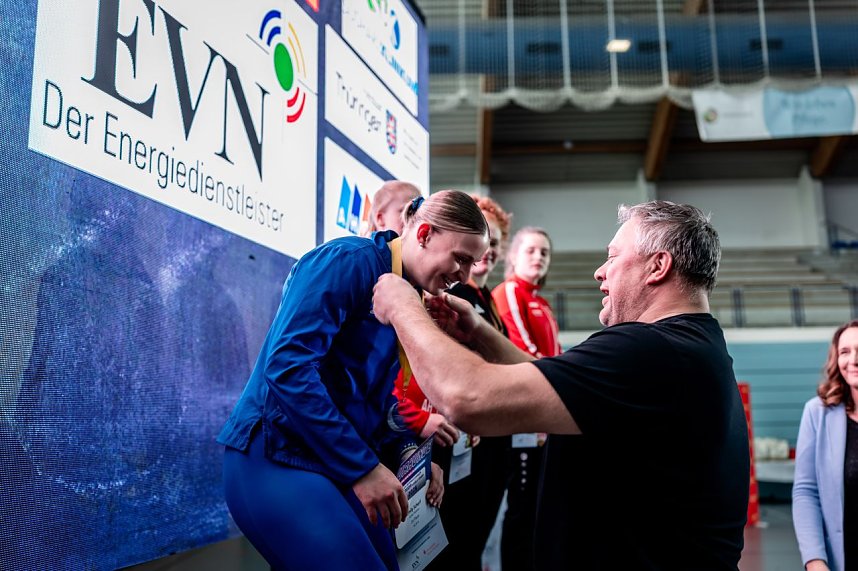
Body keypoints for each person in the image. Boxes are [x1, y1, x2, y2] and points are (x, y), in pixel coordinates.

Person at [372, 200, 750, 569]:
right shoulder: (691, 347)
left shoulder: (649, 350)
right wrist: (480, 334)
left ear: (657, 267)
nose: (600, 272)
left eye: (613, 257)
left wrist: (403, 306)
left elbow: (466, 397)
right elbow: (555, 383)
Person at [217, 190, 489, 571]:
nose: (464, 276)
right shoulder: (349, 262)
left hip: (330, 459)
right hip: (274, 453)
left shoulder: (405, 293)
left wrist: (415, 462)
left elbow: (371, 401)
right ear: (424, 234)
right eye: (461, 259)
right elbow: (288, 368)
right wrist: (362, 468)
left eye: (472, 264)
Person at [393, 195, 513, 571]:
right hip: (430, 435)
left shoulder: (478, 298)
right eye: (464, 257)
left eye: (492, 245)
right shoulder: (421, 289)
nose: (465, 271)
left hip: (446, 438)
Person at [491, 226, 561, 571]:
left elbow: (556, 356)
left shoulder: (542, 304)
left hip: (543, 418)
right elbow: (522, 349)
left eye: (544, 253)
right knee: (521, 510)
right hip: (523, 418)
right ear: (513, 256)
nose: (538, 258)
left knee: (536, 506)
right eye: (531, 251)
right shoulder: (509, 293)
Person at [793, 319, 858, 571]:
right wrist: (815, 560)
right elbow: (806, 492)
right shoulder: (817, 413)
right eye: (845, 351)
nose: (853, 359)